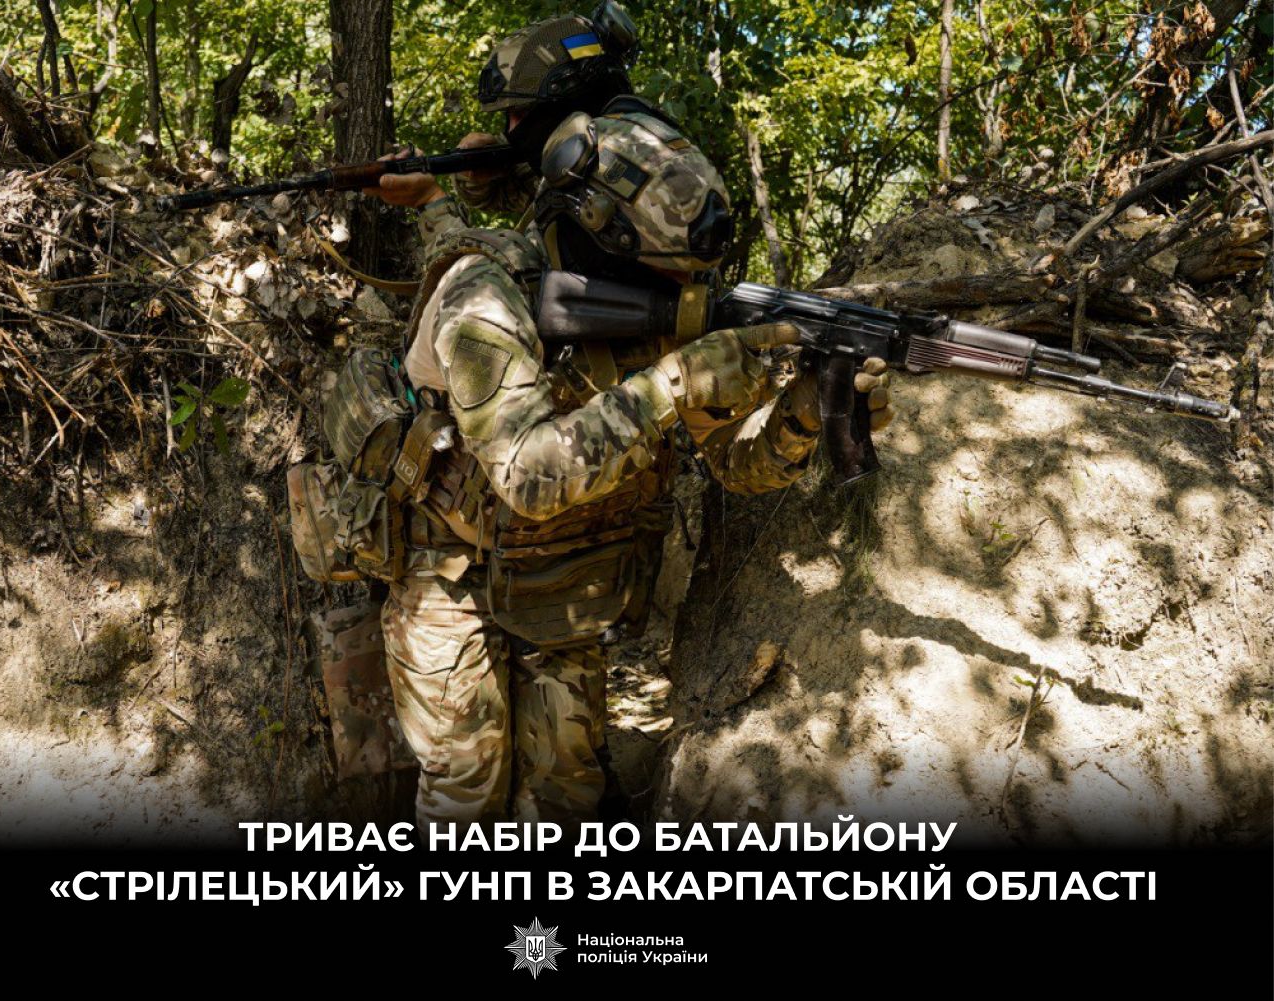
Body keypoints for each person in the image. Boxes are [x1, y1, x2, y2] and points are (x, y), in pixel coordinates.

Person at [307, 7, 896, 834]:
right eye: (657, 274)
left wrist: (805, 410)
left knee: (564, 797)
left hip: (567, 579)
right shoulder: (484, 295)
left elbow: (736, 463)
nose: (674, 297)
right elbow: (527, 474)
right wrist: (675, 381)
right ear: (602, 235)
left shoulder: (658, 296)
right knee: (466, 790)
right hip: (448, 570)